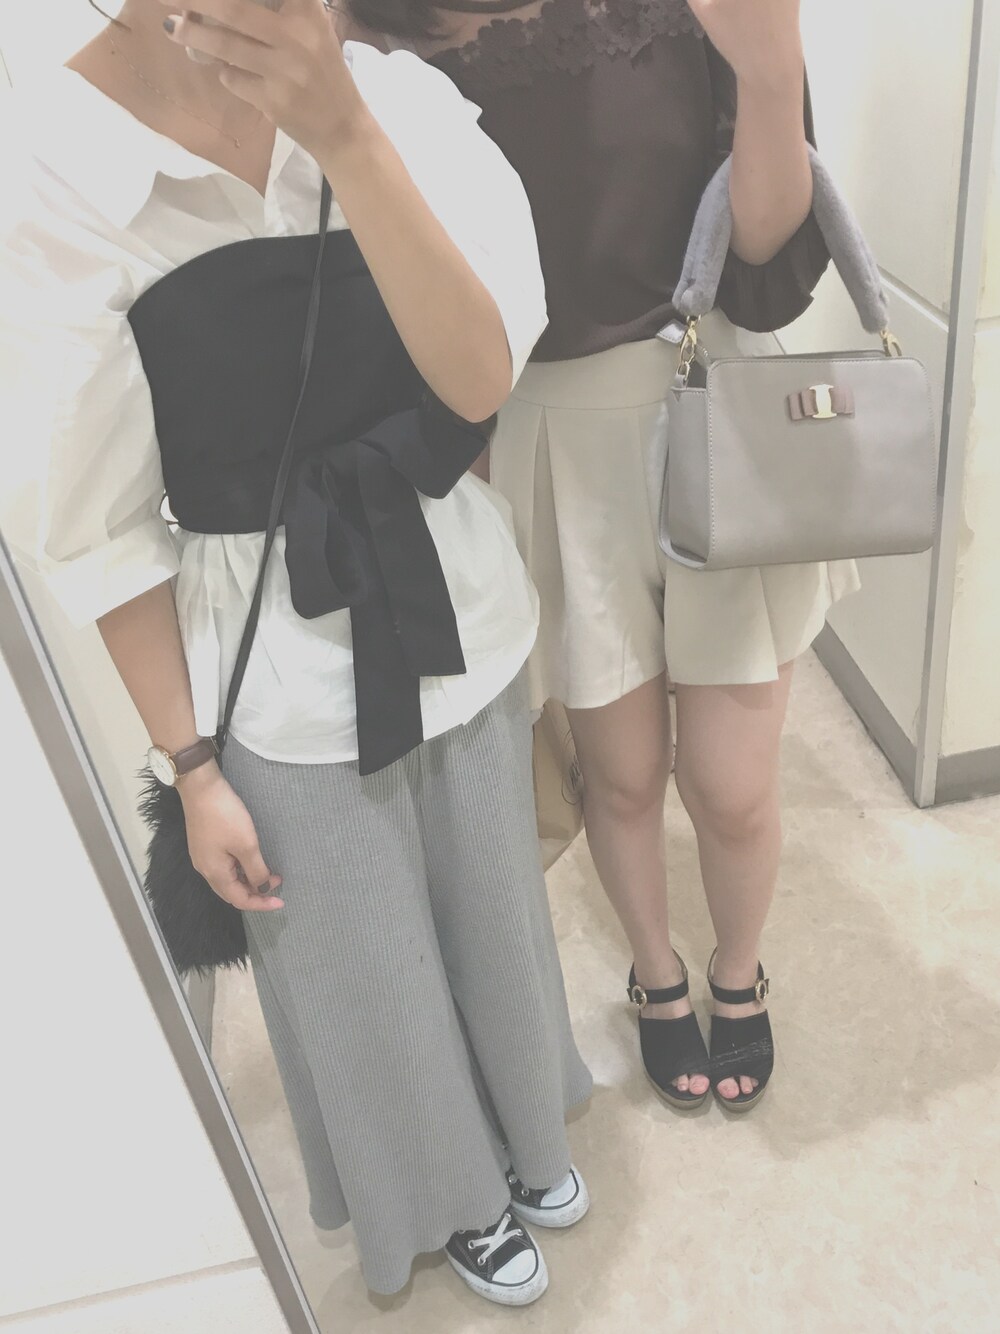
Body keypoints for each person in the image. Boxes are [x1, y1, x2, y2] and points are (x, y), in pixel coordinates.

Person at [0, 0, 592, 1303]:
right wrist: (194, 767)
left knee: (495, 909)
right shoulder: (55, 171)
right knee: (361, 969)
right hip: (269, 659)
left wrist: (346, 131)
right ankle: (446, 1196)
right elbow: (99, 526)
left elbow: (478, 378)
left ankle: (524, 1127)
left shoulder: (403, 104)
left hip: (454, 604)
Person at [349, 0, 860, 1112]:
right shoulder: (413, 21)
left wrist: (773, 75)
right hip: (547, 430)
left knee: (732, 786)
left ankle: (738, 968)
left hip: (718, 409)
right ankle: (656, 972)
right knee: (620, 775)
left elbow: (767, 263)